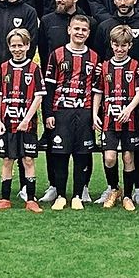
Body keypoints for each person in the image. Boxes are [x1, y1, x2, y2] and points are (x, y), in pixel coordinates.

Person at [42, 12, 101, 208]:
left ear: (88, 33)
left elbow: (97, 90)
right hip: (61, 111)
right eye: (76, 28)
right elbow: (49, 87)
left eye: (84, 30)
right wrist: (48, 113)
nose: (80, 32)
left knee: (82, 154)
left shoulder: (94, 57)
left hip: (84, 112)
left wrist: (95, 116)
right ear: (69, 30)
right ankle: (60, 195)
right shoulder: (56, 54)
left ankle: (77, 195)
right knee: (60, 153)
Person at [97, 24, 139, 208]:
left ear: (130, 45)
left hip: (130, 120)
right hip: (109, 120)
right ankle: (114, 189)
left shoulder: (136, 66)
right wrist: (94, 113)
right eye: (116, 45)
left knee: (128, 157)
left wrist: (129, 109)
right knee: (110, 158)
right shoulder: (104, 67)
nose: (120, 49)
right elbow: (98, 91)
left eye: (124, 45)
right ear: (111, 44)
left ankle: (127, 196)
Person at [0, 28, 46, 210]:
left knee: (28, 160)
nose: (17, 49)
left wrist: (27, 119)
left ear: (27, 46)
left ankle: (31, 200)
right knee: (8, 159)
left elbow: (39, 96)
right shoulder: (3, 68)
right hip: (8, 123)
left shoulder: (34, 69)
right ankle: (5, 199)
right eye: (13, 45)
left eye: (21, 45)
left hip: (28, 125)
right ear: (9, 47)